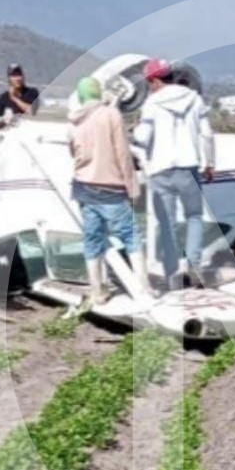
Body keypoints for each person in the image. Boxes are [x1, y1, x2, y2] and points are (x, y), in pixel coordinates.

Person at [132, 58, 215, 290]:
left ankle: (172, 277)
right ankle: (195, 265)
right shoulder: (194, 98)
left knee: (166, 224)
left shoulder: (152, 103)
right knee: (194, 217)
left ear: (155, 80)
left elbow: (141, 138)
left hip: (161, 170)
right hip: (189, 167)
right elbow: (207, 134)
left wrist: (138, 150)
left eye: (149, 82)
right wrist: (209, 163)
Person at [68, 76, 149, 305]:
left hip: (83, 188)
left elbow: (73, 152)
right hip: (110, 188)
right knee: (131, 236)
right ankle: (143, 289)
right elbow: (123, 154)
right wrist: (132, 187)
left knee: (93, 240)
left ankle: (98, 292)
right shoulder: (111, 115)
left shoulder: (73, 120)